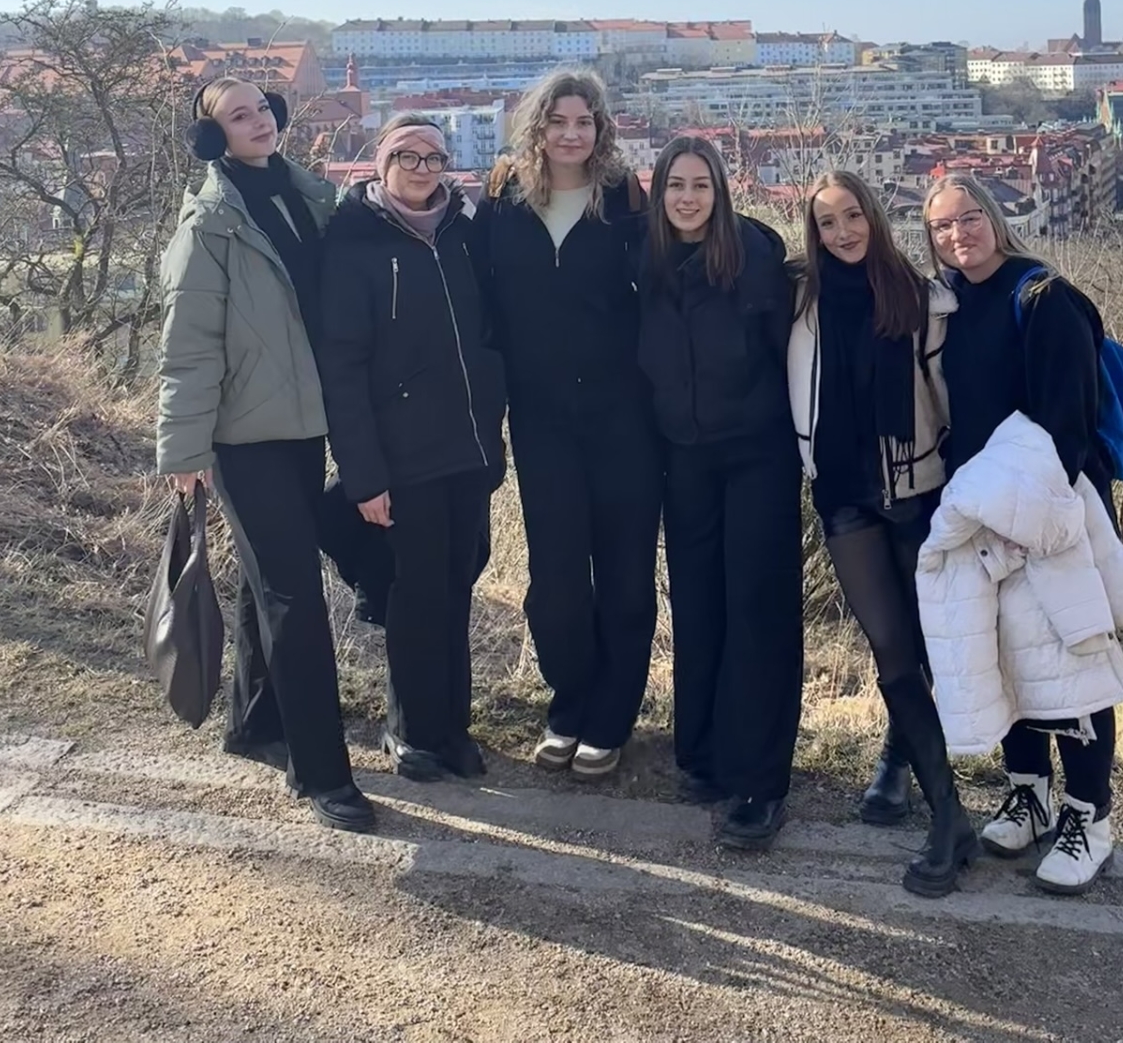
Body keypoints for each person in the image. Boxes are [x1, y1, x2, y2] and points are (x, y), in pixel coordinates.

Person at [154, 77, 374, 833]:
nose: (259, 122)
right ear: (212, 137)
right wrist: (183, 449)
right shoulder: (209, 226)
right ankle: (322, 771)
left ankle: (255, 724)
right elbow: (186, 349)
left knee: (268, 582)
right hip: (242, 439)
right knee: (293, 595)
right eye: (238, 116)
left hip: (303, 428)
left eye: (263, 109)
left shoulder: (308, 198)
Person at [923, 172, 1123, 895]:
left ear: (994, 217)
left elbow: (1068, 423)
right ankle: (1029, 792)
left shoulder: (1044, 297)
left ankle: (1089, 815)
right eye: (942, 226)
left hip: (1051, 509)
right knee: (1010, 653)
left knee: (1072, 657)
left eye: (969, 218)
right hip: (983, 510)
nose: (958, 235)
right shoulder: (953, 303)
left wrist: (1028, 522)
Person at [789, 170, 974, 897]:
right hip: (844, 497)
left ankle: (899, 760)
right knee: (891, 647)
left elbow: (952, 398)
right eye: (827, 222)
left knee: (926, 643)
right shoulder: (801, 302)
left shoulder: (922, 298)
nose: (842, 232)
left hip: (918, 492)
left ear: (874, 215)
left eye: (852, 216)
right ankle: (948, 814)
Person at [470, 70, 659, 778]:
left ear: (600, 128)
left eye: (585, 121)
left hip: (624, 417)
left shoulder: (625, 197)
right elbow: (476, 299)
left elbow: (666, 280)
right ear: (538, 127)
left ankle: (612, 714)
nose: (572, 134)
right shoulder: (503, 199)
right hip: (540, 417)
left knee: (626, 575)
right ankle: (570, 700)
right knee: (554, 579)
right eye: (559, 121)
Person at [320, 115, 507, 783]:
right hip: (403, 457)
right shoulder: (354, 243)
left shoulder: (463, 233)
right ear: (381, 163)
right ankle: (410, 729)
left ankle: (453, 727)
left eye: (434, 158)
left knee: (458, 586)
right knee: (418, 593)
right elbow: (342, 368)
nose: (423, 170)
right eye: (408, 156)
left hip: (470, 449)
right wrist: (363, 474)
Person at [637, 136, 802, 852]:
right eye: (675, 185)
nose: (688, 198)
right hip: (685, 458)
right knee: (699, 605)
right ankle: (702, 753)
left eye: (700, 185)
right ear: (658, 193)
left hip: (757, 454)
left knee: (758, 609)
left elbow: (787, 356)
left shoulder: (754, 259)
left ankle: (761, 781)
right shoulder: (645, 264)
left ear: (720, 192)